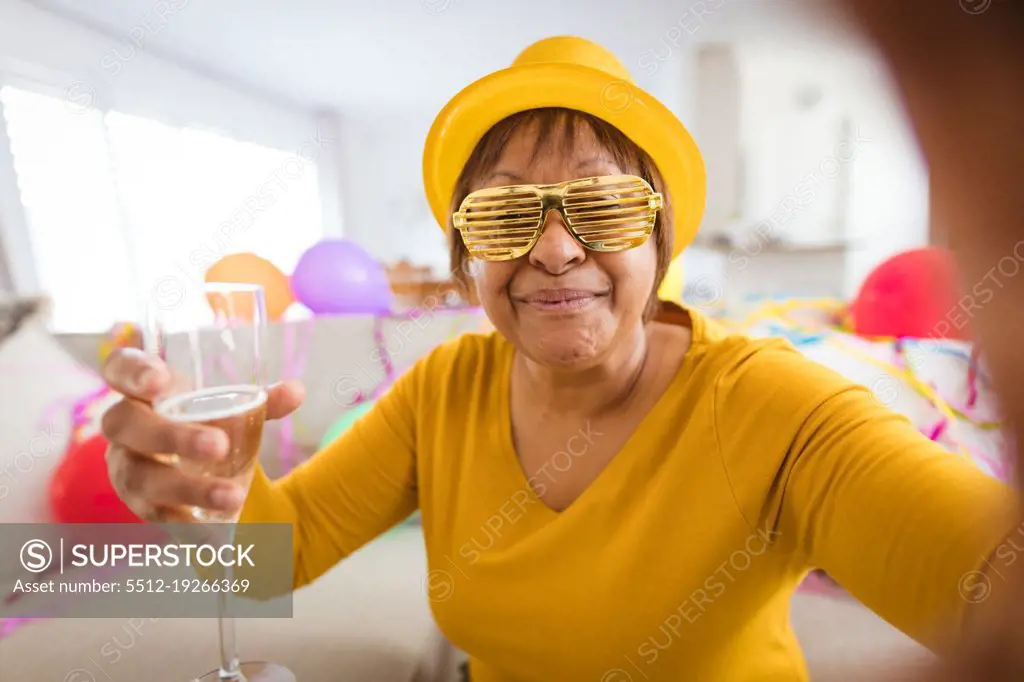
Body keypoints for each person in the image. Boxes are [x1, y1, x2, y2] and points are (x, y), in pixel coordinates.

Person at [100, 35, 1020, 682]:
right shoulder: (440, 392)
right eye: (505, 215)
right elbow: (269, 563)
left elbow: (986, 573)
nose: (553, 250)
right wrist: (200, 496)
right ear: (470, 261)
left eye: (605, 207)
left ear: (662, 244)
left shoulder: (770, 408)